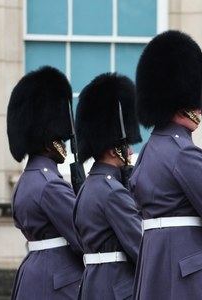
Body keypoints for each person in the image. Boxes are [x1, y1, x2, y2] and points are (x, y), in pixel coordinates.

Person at [130, 30, 202, 299]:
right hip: (189, 273)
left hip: (156, 268)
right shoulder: (184, 153)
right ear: (184, 101)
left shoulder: (149, 150)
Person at [7, 66, 84, 299]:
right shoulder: (50, 184)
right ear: (48, 141)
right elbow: (82, 236)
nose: (63, 143)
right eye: (59, 138)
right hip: (58, 282)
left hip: (33, 275)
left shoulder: (26, 181)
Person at [73, 72, 142, 300]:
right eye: (127, 146)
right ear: (114, 150)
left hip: (92, 285)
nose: (131, 152)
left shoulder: (88, 187)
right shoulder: (113, 193)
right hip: (118, 288)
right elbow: (140, 247)